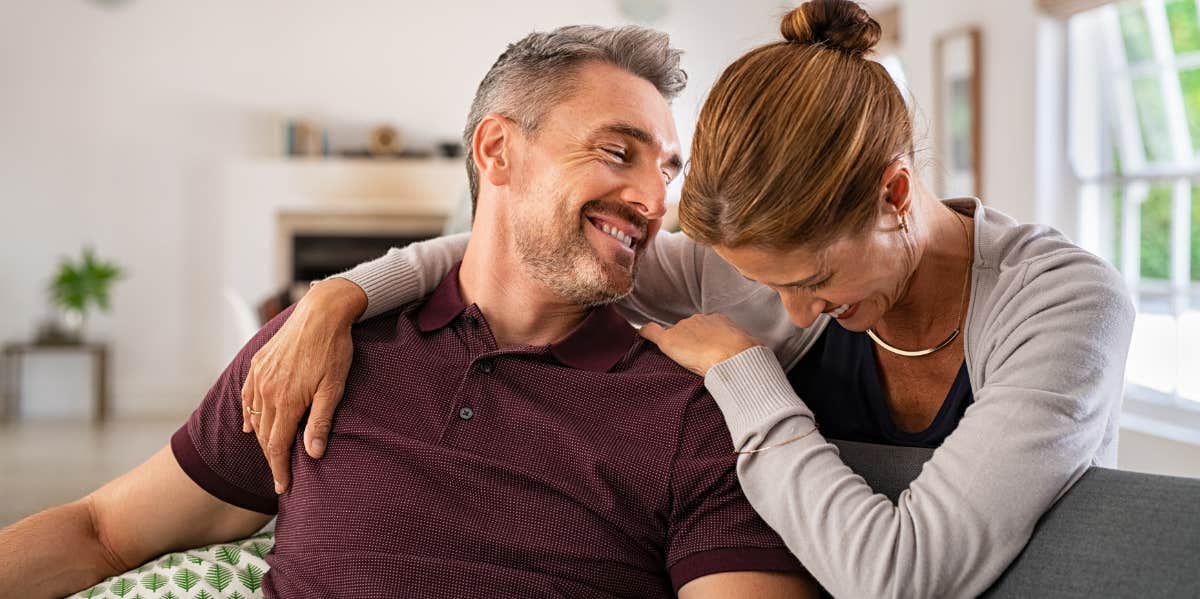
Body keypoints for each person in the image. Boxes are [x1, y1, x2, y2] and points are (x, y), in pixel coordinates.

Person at [242, 1, 1137, 597]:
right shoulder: (737, 271)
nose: (789, 309)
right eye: (770, 282)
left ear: (896, 195)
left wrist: (746, 374)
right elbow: (522, 249)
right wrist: (339, 295)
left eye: (816, 281)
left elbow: (897, 574)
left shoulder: (1063, 307)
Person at [0, 25, 817, 599]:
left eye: (666, 169)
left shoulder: (689, 409)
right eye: (616, 151)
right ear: (497, 150)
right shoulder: (317, 354)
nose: (651, 198)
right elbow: (104, 530)